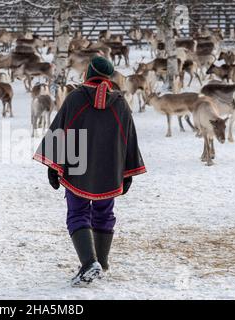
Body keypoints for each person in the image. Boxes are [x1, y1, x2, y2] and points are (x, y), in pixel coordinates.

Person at [33, 56, 146, 287]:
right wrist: (128, 171)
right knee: (105, 212)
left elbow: (60, 129)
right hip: (109, 169)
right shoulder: (120, 102)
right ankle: (100, 263)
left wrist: (53, 166)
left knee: (77, 212)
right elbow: (128, 138)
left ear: (89, 73)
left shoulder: (75, 98)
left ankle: (89, 263)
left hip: (77, 167)